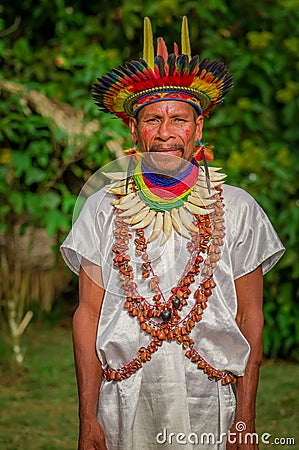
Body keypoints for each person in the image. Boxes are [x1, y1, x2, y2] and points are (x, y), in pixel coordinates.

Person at [60, 17, 285, 450]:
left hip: (210, 404)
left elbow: (249, 317)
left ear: (197, 129)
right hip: (124, 401)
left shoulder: (238, 208)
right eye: (152, 120)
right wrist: (87, 417)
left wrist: (246, 417)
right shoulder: (101, 208)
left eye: (179, 119)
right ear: (133, 129)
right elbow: (87, 316)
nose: (165, 132)